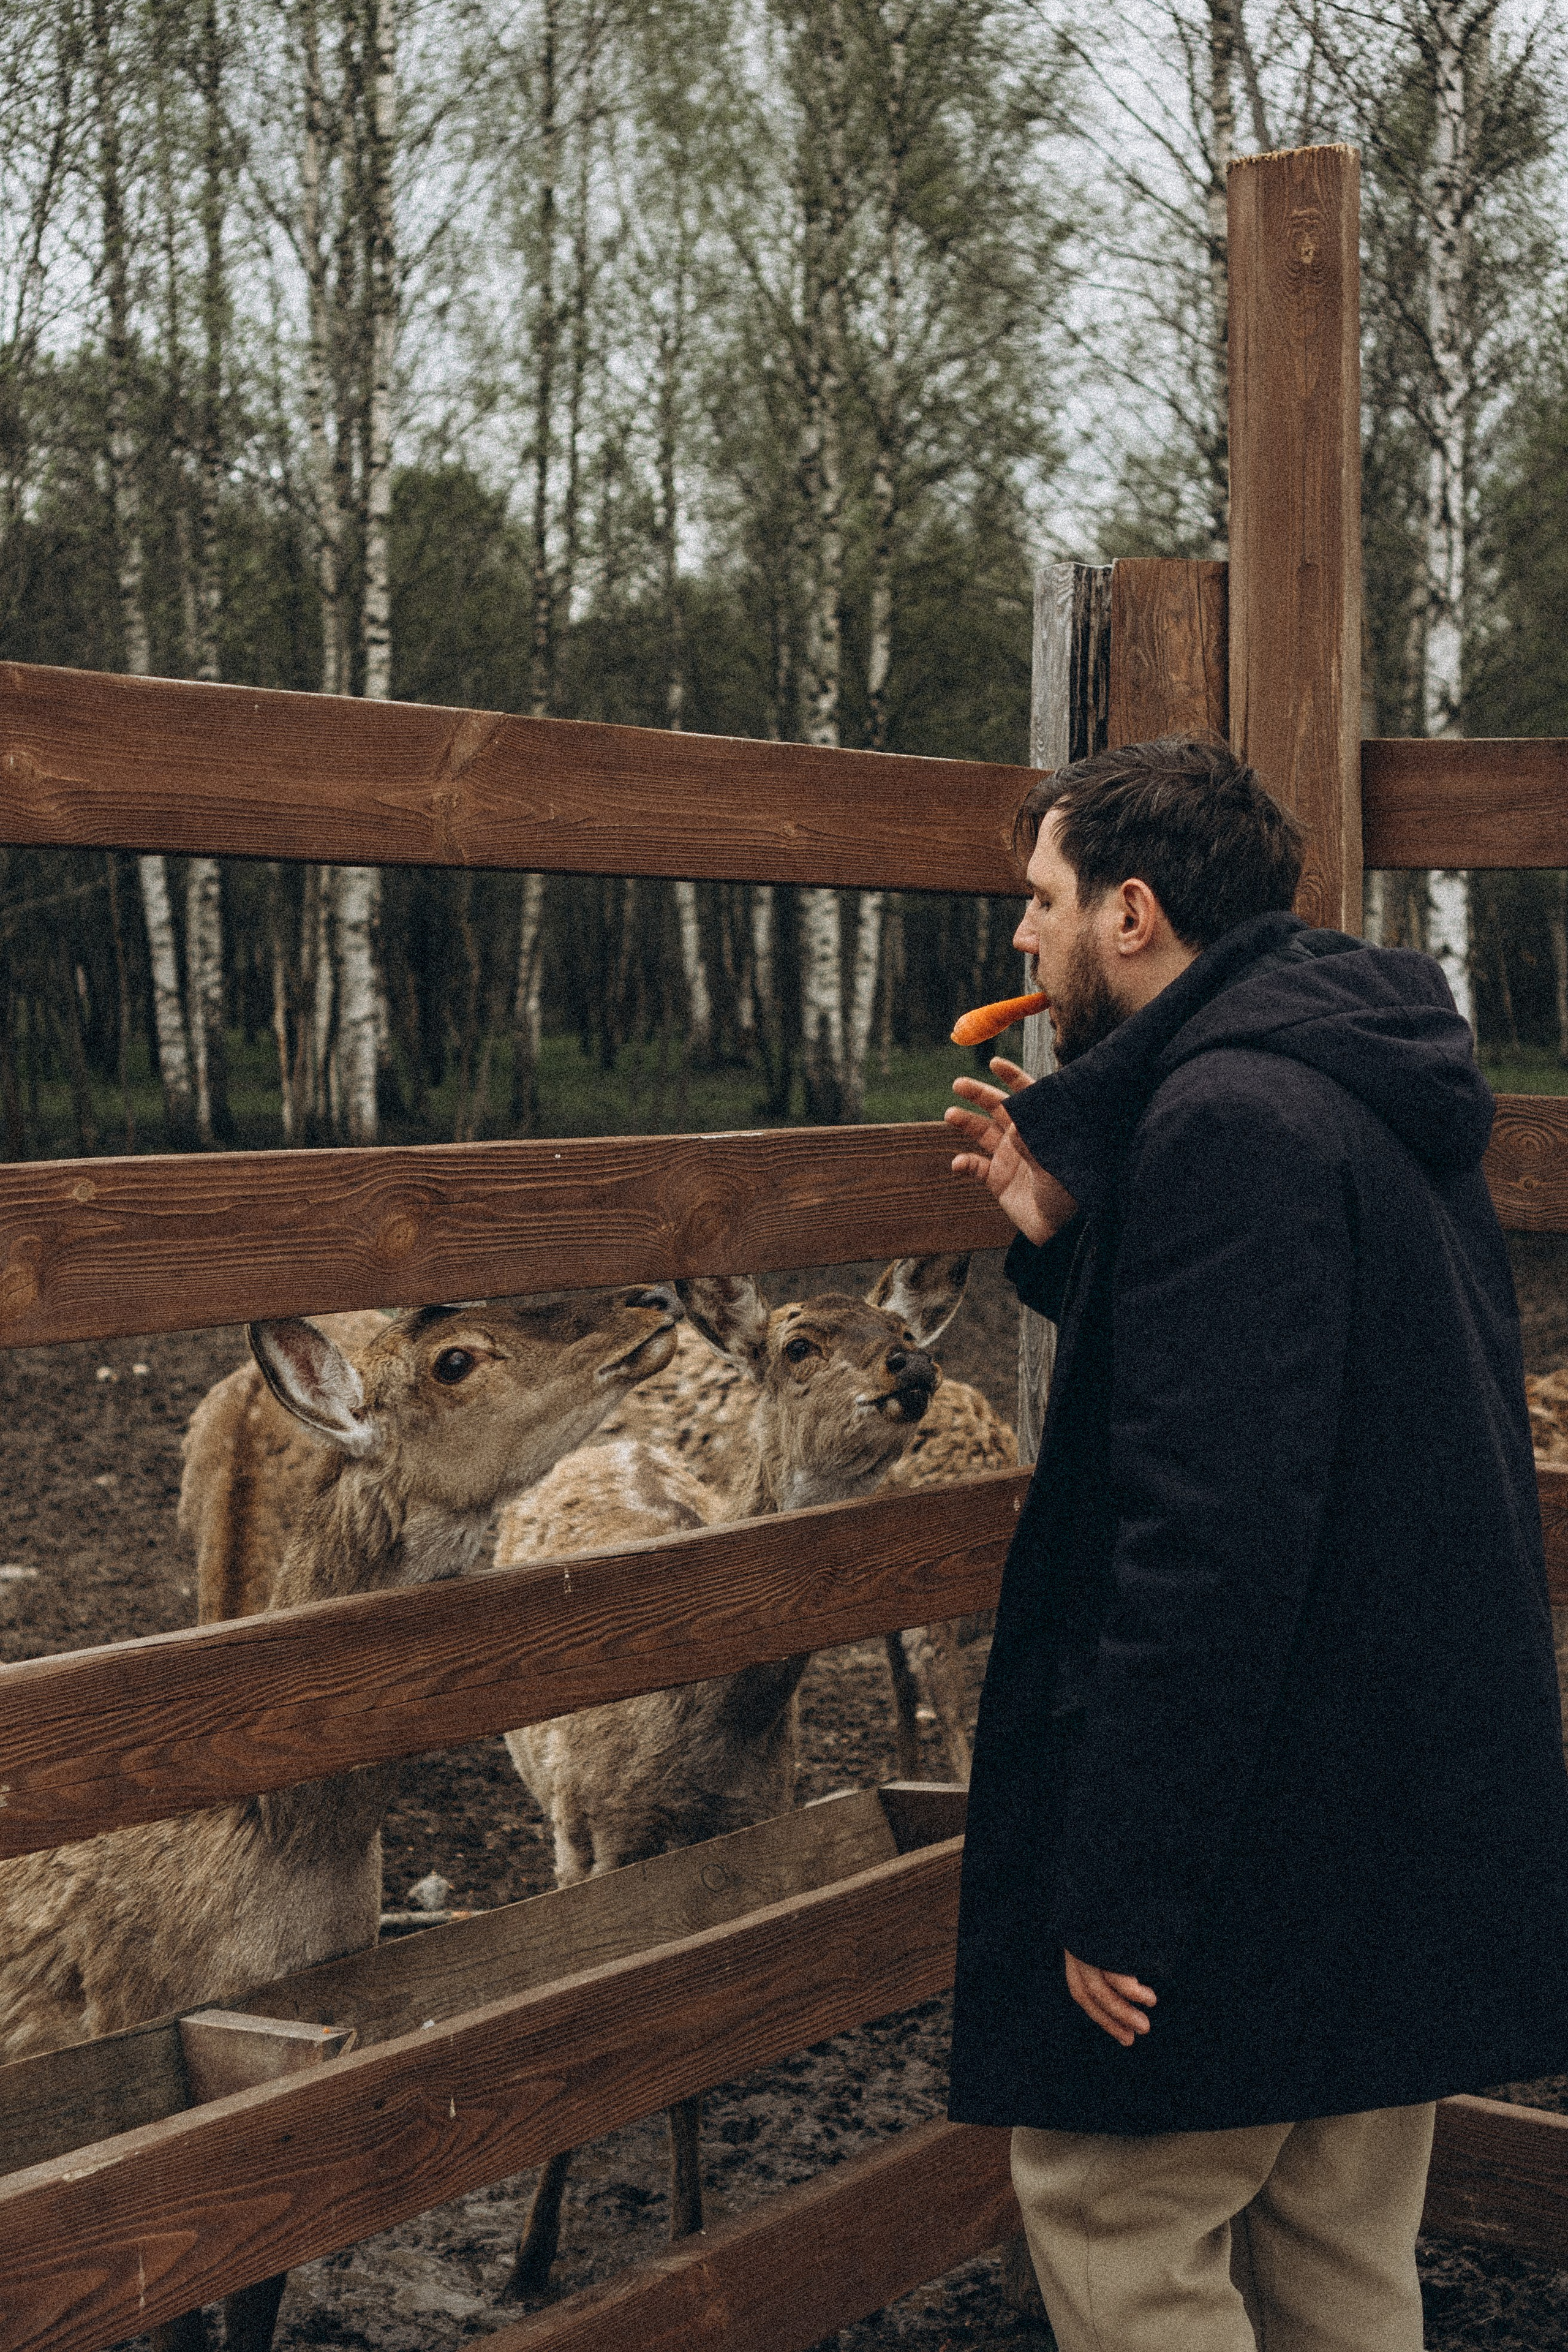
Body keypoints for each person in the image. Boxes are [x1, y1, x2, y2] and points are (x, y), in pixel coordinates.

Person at [942, 733, 1568, 2352]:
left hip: (1251, 1839)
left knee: (1111, 2211)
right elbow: (1313, 1405)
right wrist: (1083, 1246)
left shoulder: (1226, 1123)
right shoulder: (1343, 1075)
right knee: (1338, 2254)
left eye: (1043, 899)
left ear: (1132, 913)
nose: (1022, 939)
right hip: (1384, 1819)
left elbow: (1210, 1541)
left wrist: (1124, 1881)